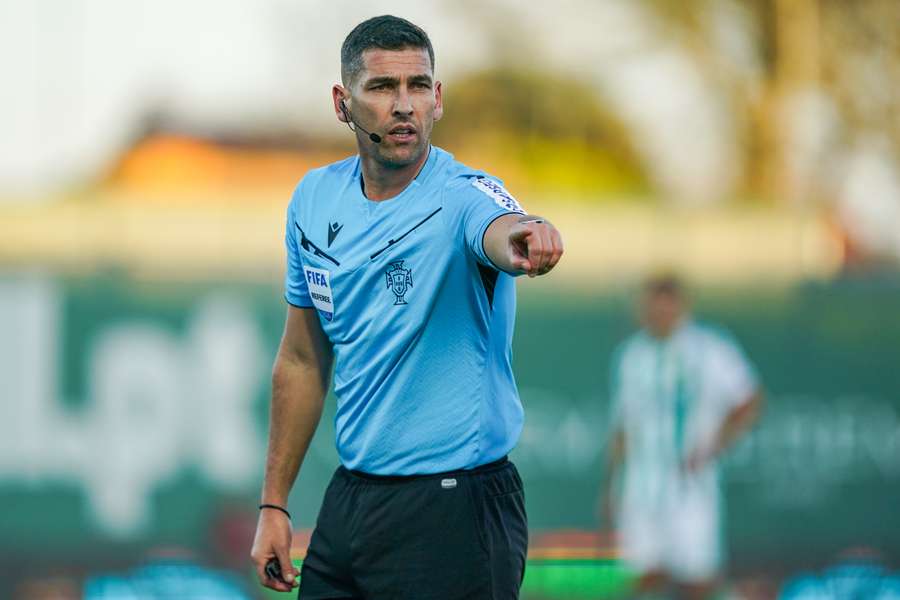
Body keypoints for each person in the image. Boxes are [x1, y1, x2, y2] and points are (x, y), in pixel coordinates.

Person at [250, 15, 564, 600]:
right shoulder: (313, 199)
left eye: (418, 86)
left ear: (438, 99)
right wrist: (275, 503)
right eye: (382, 87)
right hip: (352, 502)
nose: (404, 105)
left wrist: (529, 234)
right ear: (343, 102)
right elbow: (301, 360)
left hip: (455, 509)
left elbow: (502, 226)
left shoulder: (465, 194)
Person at [601, 275, 763, 600]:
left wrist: (713, 446)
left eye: (666, 305)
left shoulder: (710, 349)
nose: (658, 314)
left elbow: (749, 400)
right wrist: (612, 484)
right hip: (641, 485)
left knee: (697, 576)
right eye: (651, 306)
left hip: (691, 485)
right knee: (642, 574)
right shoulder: (632, 356)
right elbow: (622, 425)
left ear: (681, 306)